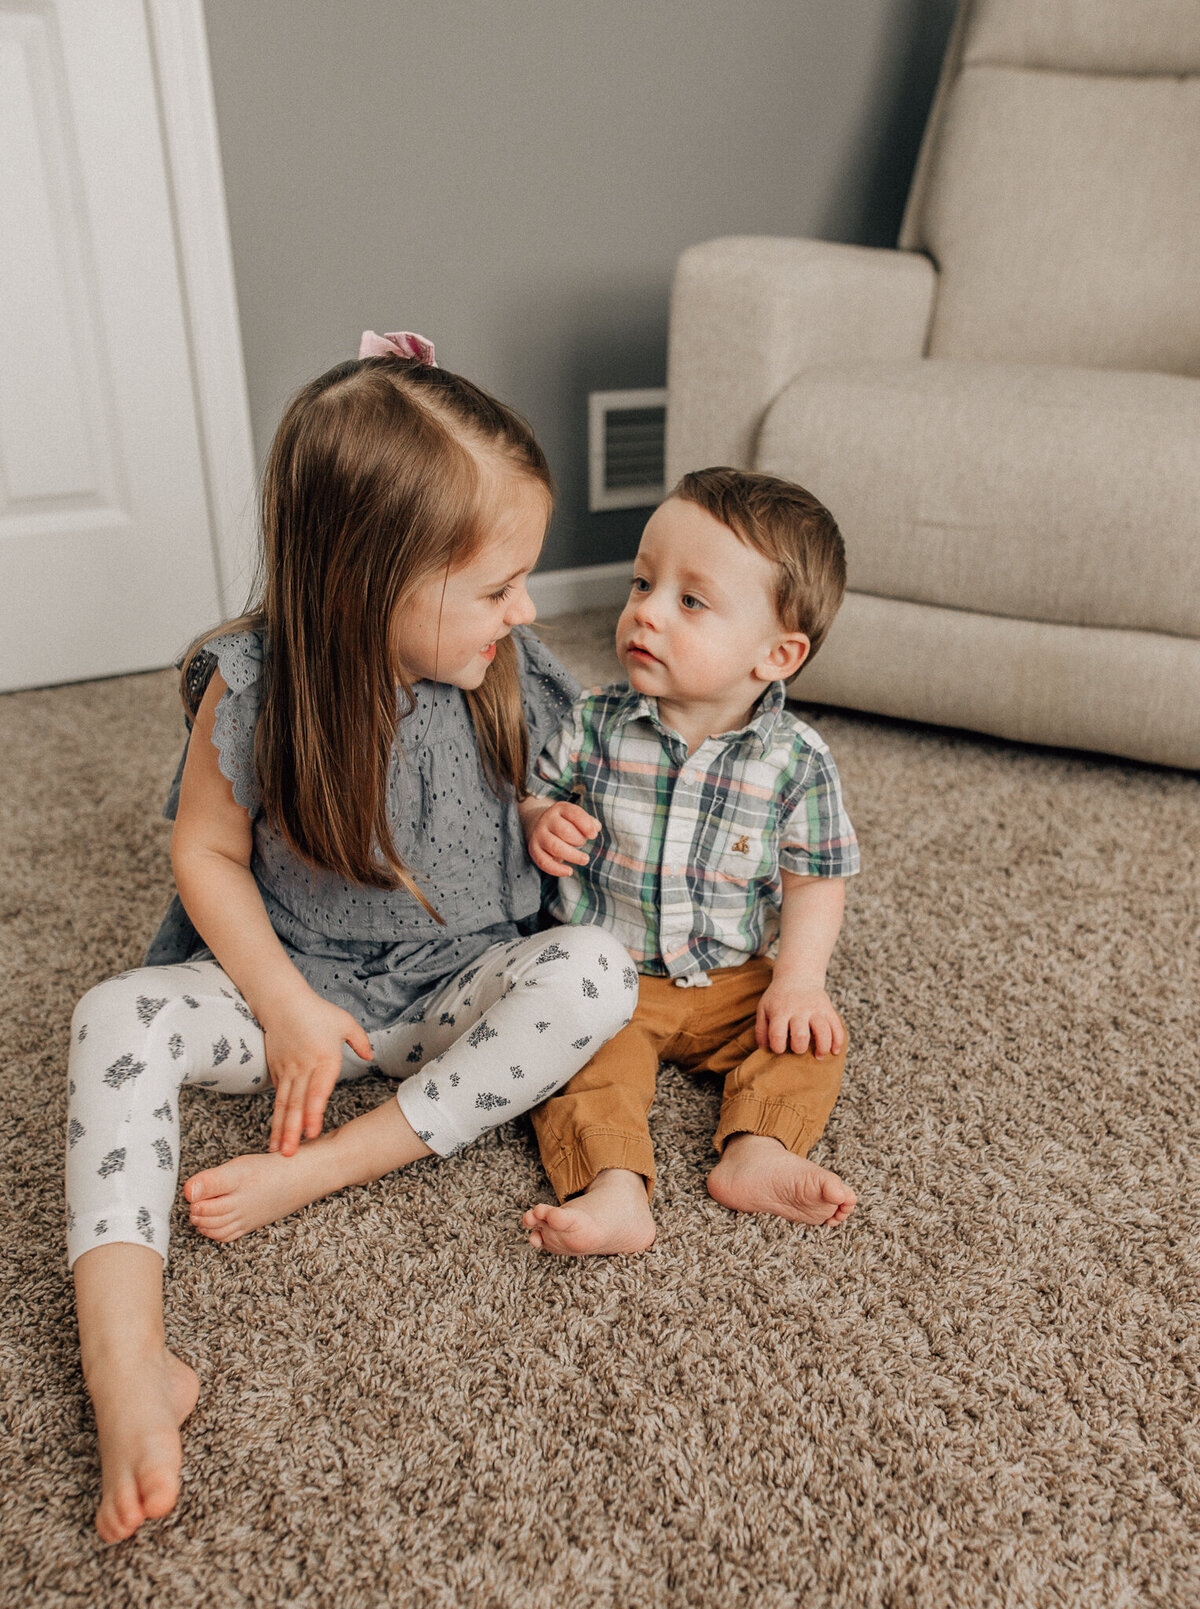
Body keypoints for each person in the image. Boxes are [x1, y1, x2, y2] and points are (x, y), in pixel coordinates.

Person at [65, 332, 635, 1542]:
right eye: (497, 587)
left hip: (451, 989)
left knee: (597, 972)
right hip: (297, 994)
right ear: (373, 579)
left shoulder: (500, 668)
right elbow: (205, 854)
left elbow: (514, 784)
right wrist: (277, 1003)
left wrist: (537, 820)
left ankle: (320, 1167)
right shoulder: (255, 683)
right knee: (112, 1014)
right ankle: (128, 1358)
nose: (527, 608)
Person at [518, 466, 860, 1256]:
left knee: (807, 1043)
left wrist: (798, 982)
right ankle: (612, 1189)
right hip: (612, 973)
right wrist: (542, 819)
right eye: (643, 583)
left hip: (732, 976)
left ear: (777, 653)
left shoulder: (795, 761)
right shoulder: (594, 722)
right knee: (571, 1055)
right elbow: (534, 794)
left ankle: (759, 1151)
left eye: (690, 600)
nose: (646, 612)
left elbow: (816, 878)